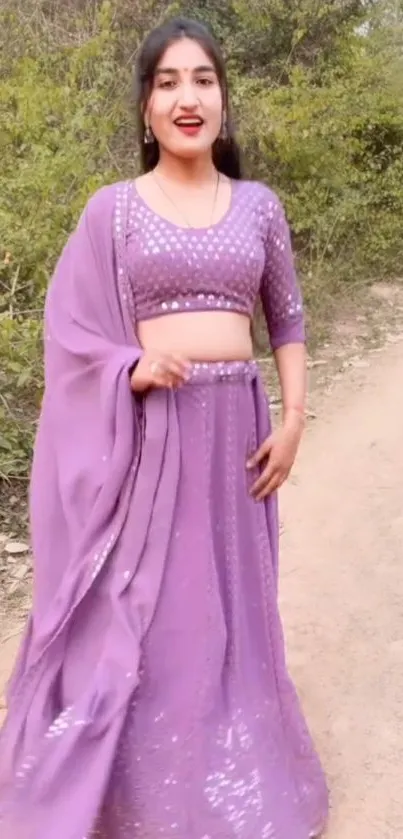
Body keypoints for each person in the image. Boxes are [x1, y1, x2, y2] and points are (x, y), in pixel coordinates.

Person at [0, 16, 329, 839]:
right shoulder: (112, 211)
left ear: (224, 98)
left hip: (237, 439)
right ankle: (137, 797)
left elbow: (284, 322)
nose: (187, 97)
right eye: (168, 82)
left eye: (203, 80)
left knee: (228, 611)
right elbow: (71, 335)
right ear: (146, 106)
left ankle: (233, 780)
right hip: (148, 441)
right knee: (148, 612)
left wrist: (292, 422)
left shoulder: (258, 206)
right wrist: (128, 368)